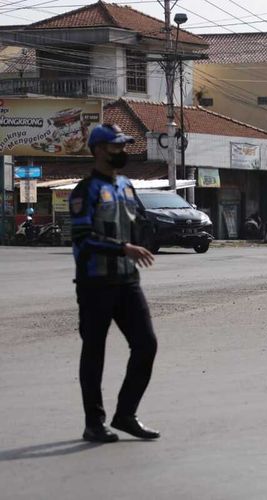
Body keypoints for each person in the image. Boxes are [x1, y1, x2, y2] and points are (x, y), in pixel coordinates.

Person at [70, 124, 159, 443]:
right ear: (98, 150)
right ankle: (94, 423)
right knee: (94, 352)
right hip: (95, 283)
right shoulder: (85, 190)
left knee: (146, 344)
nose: (121, 151)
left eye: (123, 146)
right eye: (115, 146)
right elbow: (83, 237)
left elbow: (140, 221)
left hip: (127, 281)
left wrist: (143, 240)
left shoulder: (126, 186)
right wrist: (124, 248)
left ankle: (126, 415)